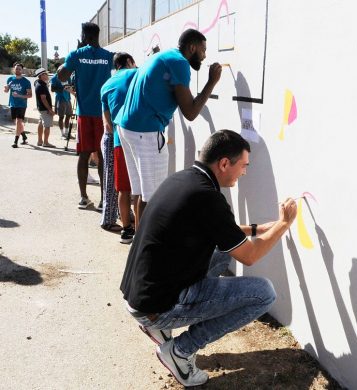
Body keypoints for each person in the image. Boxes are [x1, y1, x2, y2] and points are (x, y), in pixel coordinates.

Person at [120, 130, 298, 387]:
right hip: (155, 307)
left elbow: (222, 230)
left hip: (140, 294)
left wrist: (261, 228)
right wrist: (284, 224)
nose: (244, 172)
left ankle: (159, 328)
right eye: (243, 166)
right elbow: (250, 255)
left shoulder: (186, 180)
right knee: (264, 294)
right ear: (224, 163)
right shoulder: (208, 198)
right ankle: (179, 351)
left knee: (222, 253)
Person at [115, 28, 222, 228]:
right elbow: (190, 112)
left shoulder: (165, 56)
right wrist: (211, 82)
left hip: (128, 127)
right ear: (192, 47)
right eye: (203, 50)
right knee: (153, 197)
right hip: (145, 132)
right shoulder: (179, 63)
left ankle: (139, 245)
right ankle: (146, 252)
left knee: (141, 192)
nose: (205, 55)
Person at [58, 22, 113, 210]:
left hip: (84, 113)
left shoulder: (76, 55)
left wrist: (74, 55)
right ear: (98, 35)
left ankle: (83, 197)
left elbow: (62, 76)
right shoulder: (108, 56)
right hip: (103, 114)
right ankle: (104, 199)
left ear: (84, 36)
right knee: (103, 156)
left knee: (83, 155)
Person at [100, 52, 138, 241]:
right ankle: (140, 230)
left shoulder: (106, 85)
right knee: (139, 189)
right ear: (130, 62)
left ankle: (126, 230)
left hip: (117, 139)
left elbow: (107, 123)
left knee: (124, 188)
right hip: (140, 137)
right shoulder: (135, 74)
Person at [3, 62, 32, 148]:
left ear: (22, 70)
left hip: (22, 104)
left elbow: (30, 95)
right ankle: (24, 136)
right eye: (16, 68)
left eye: (19, 69)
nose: (17, 70)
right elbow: (6, 91)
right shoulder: (10, 79)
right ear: (14, 69)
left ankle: (15, 141)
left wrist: (19, 95)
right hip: (12, 104)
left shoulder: (26, 81)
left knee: (19, 121)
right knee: (16, 122)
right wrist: (6, 88)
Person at [33, 68, 56, 148]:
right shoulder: (41, 85)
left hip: (40, 108)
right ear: (41, 75)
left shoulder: (37, 82)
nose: (47, 75)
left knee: (41, 123)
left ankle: (40, 141)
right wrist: (50, 109)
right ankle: (46, 142)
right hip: (45, 109)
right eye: (45, 74)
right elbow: (43, 98)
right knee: (47, 126)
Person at [50, 65, 74, 139]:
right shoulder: (54, 78)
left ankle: (67, 133)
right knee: (61, 117)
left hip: (68, 99)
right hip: (60, 99)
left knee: (69, 115)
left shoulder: (67, 76)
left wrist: (70, 87)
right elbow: (52, 89)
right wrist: (62, 88)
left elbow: (70, 85)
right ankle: (62, 134)